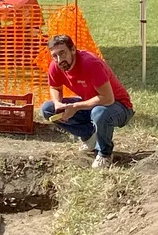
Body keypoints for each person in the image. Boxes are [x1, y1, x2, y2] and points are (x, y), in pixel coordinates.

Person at [40, 35, 134, 169]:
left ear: (73, 50)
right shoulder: (55, 66)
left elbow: (108, 98)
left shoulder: (91, 64)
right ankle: (89, 136)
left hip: (119, 106)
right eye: (55, 56)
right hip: (91, 102)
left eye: (62, 53)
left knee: (99, 112)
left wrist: (76, 106)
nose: (59, 60)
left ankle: (105, 154)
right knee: (47, 109)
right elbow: (55, 87)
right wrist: (57, 103)